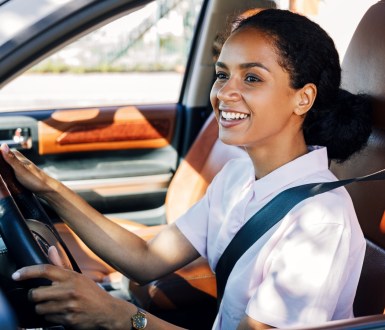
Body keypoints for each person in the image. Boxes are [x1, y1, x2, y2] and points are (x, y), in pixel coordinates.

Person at [0, 8, 372, 330]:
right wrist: (48, 188)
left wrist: (118, 315)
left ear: (303, 97)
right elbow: (146, 259)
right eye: (222, 74)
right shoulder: (239, 176)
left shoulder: (319, 219)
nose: (224, 92)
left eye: (252, 78)